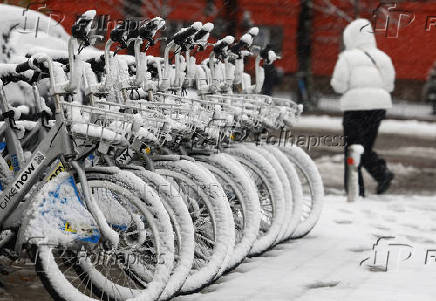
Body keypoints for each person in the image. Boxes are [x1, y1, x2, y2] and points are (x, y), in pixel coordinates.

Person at [330, 18, 395, 196]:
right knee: (365, 146)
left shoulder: (347, 57)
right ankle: (382, 174)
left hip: (355, 108)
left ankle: (355, 190)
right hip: (378, 107)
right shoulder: (383, 57)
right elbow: (389, 86)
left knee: (353, 148)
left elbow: (339, 85)